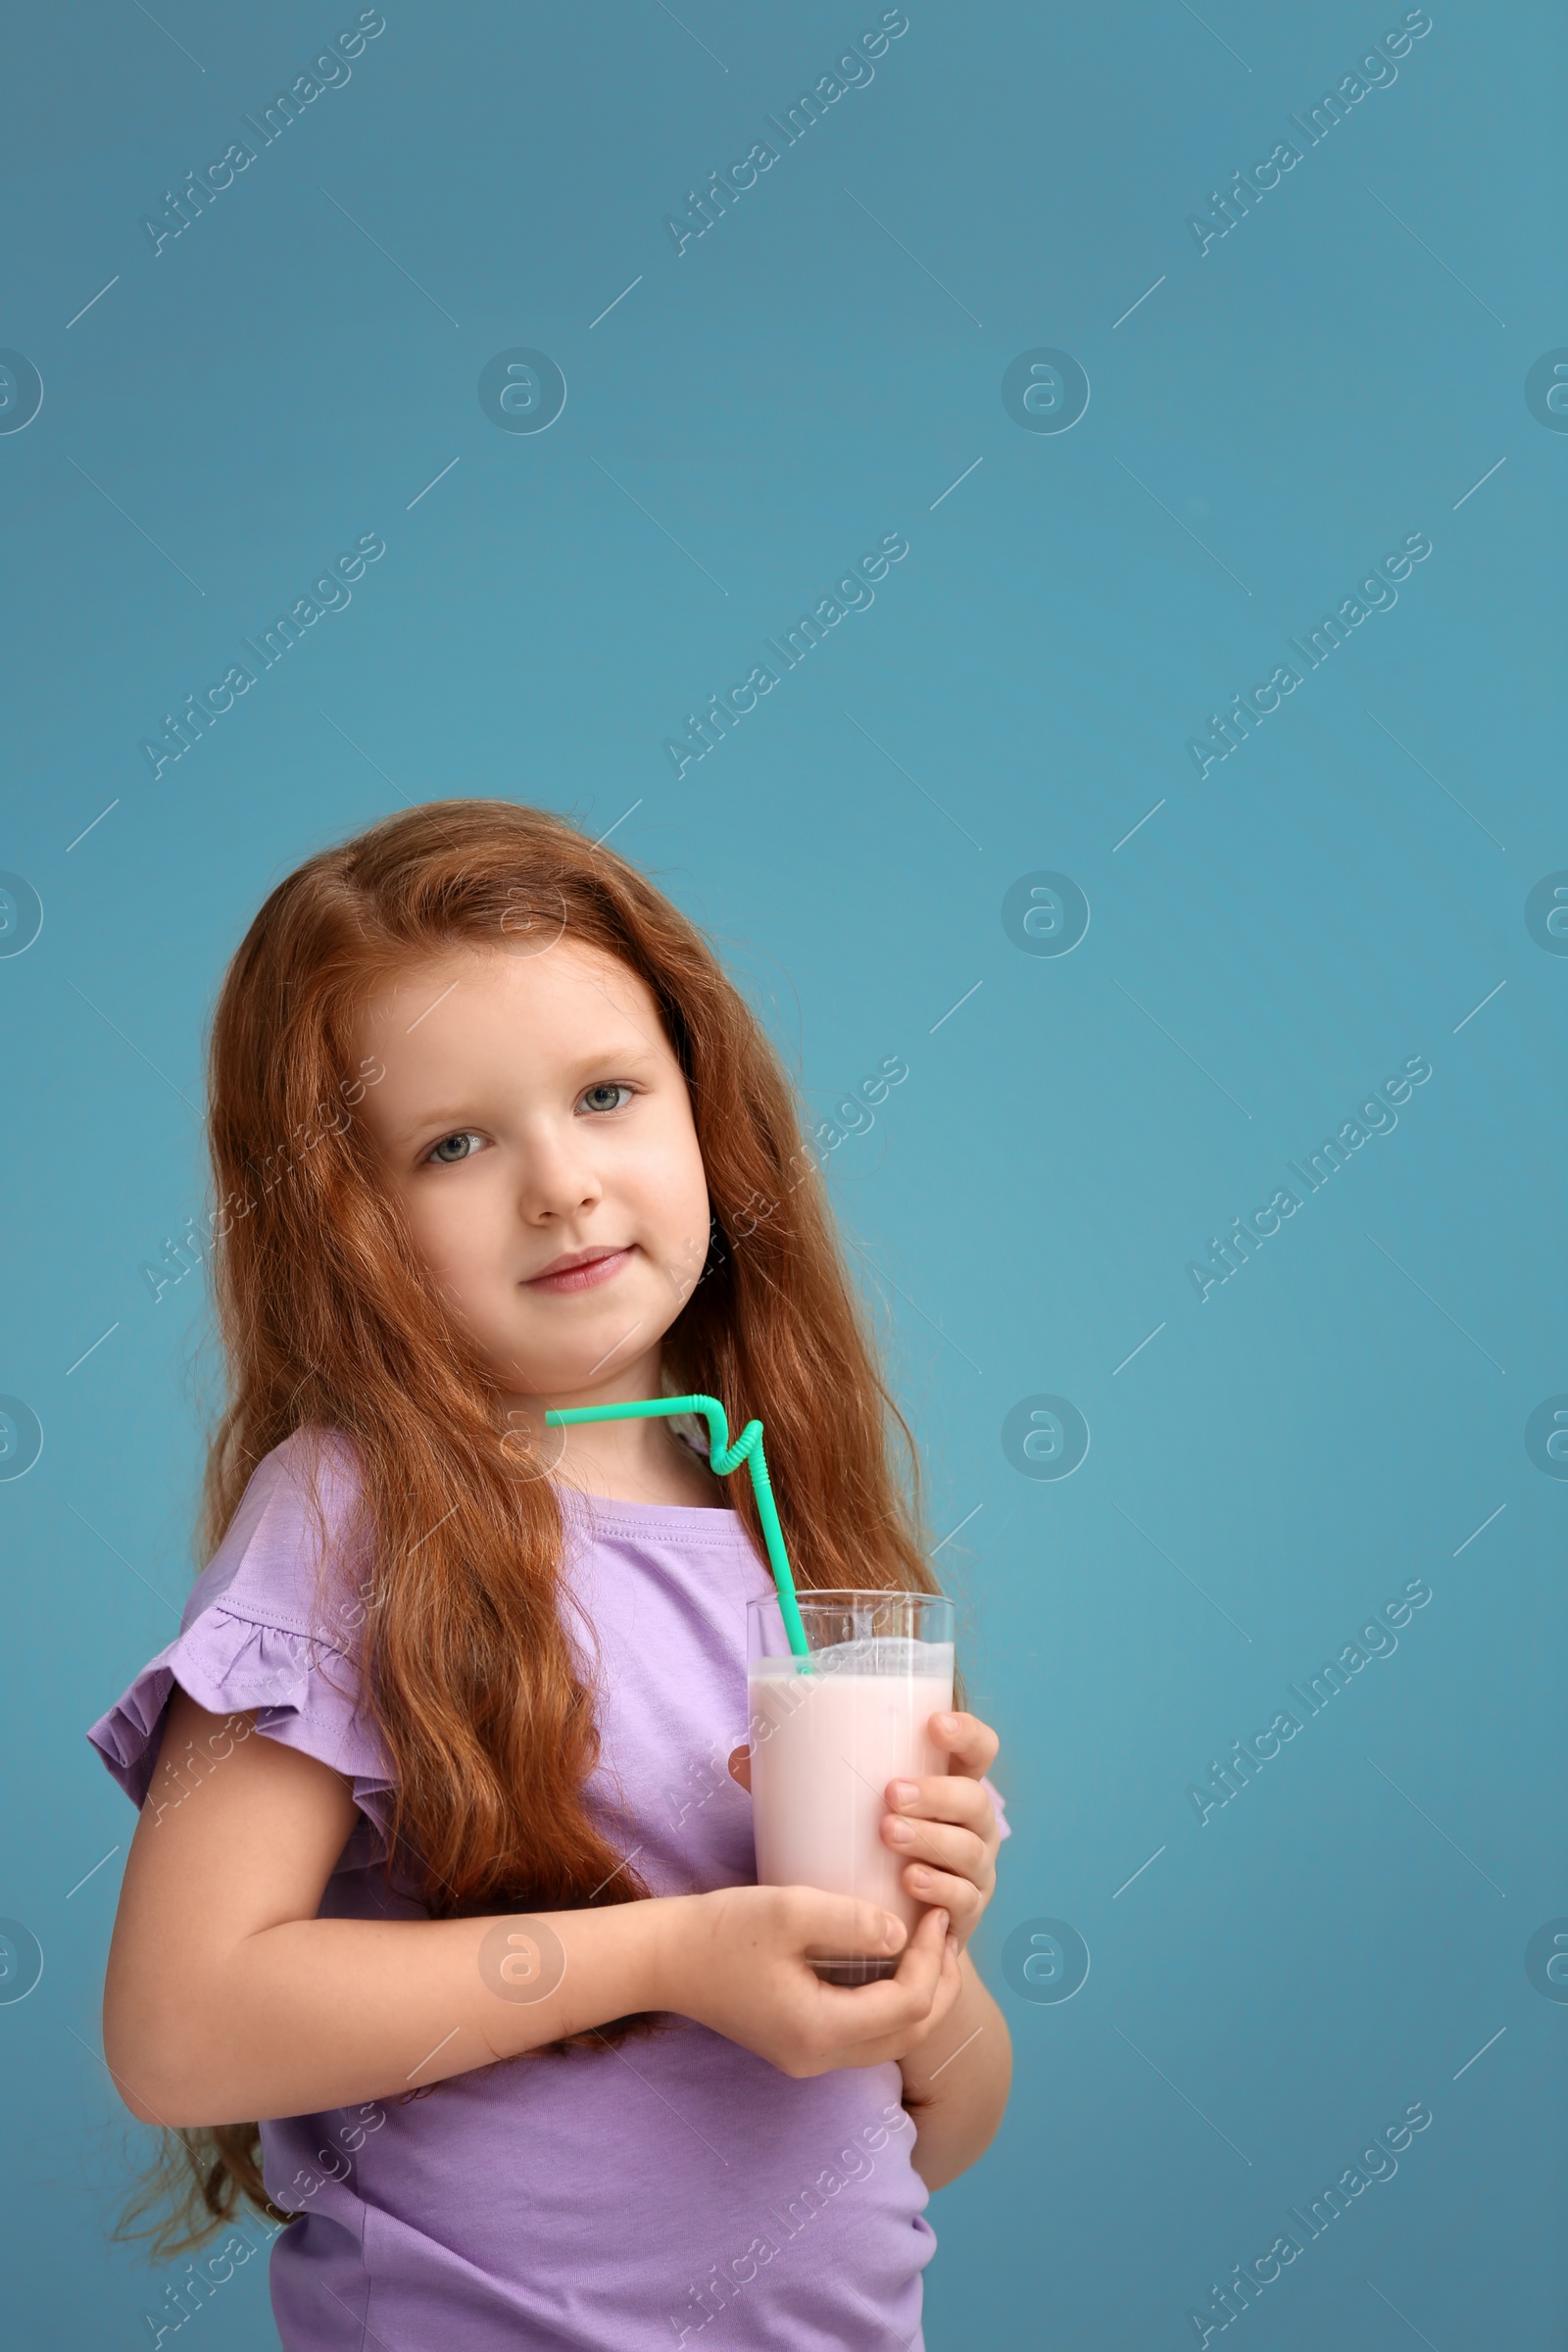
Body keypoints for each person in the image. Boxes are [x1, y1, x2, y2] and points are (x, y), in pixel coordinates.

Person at [88, 800, 1011, 2349]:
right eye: (454, 1143)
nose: (561, 1184)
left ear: (706, 1109)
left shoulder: (789, 1527)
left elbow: (925, 2136)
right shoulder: (350, 1516)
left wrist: (925, 1981)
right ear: (345, 1225)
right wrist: (678, 1955)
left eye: (606, 1095)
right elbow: (177, 2033)